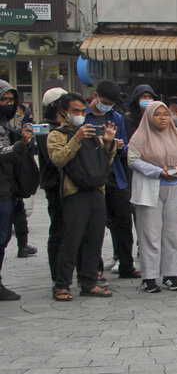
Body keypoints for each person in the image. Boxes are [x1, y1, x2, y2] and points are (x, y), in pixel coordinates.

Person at [48, 92, 118, 301]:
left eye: (82, 111)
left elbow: (103, 163)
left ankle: (89, 282)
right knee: (71, 240)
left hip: (96, 191)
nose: (80, 115)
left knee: (94, 239)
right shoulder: (56, 135)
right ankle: (61, 284)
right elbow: (58, 160)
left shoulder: (90, 134)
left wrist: (108, 143)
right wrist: (76, 139)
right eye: (75, 111)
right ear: (63, 113)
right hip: (74, 193)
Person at [127, 102, 177, 293]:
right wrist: (157, 171)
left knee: (173, 234)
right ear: (148, 117)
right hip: (150, 189)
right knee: (150, 235)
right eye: (158, 114)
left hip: (175, 187)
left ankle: (171, 275)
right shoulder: (140, 137)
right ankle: (149, 277)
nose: (163, 118)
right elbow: (133, 159)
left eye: (165, 114)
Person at [86, 80, 139, 279]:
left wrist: (117, 145)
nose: (106, 105)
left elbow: (126, 147)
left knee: (124, 223)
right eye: (105, 101)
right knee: (94, 226)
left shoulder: (116, 117)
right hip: (92, 177)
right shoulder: (83, 117)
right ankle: (95, 269)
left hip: (116, 176)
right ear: (95, 95)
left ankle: (127, 264)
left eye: (111, 103)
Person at [0, 86, 34, 300]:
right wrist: (20, 144)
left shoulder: (6, 126)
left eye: (12, 99)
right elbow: (3, 153)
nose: (8, 104)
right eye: (4, 99)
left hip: (6, 189)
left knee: (3, 239)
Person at [37, 88, 67, 285]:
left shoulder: (68, 125)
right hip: (55, 184)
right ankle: (57, 275)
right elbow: (51, 157)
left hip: (71, 184)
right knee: (58, 229)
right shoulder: (44, 128)